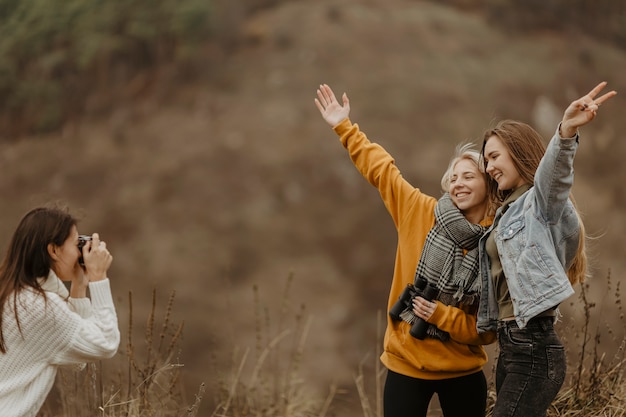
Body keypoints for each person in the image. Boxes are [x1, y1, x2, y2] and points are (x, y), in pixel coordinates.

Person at [315, 83, 496, 417]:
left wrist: (439, 315)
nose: (458, 183)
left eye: (469, 176)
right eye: (453, 177)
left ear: (488, 184)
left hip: (465, 371)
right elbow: (384, 172)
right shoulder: (421, 211)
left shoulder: (497, 242)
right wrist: (344, 126)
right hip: (405, 366)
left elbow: (487, 331)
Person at [476, 81, 617, 417]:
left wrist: (566, 130)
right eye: (486, 161)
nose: (489, 167)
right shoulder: (504, 212)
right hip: (511, 347)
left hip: (534, 348)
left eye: (494, 156)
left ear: (518, 152)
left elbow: (554, 176)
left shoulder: (537, 204)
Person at [0, 205, 120, 417]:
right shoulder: (38, 307)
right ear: (53, 250)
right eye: (76, 244)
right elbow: (105, 343)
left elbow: (78, 358)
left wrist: (79, 287)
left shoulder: (11, 294)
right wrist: (99, 278)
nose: (81, 252)